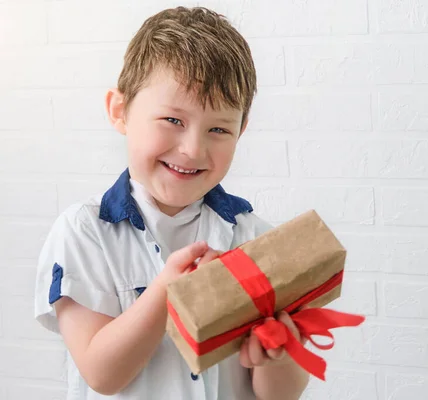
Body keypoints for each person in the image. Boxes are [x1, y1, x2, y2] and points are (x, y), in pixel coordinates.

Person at [34, 6, 310, 400]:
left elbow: (279, 395)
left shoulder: (256, 240)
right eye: (173, 121)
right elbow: (101, 373)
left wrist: (275, 351)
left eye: (218, 129)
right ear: (120, 111)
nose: (193, 149)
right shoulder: (84, 231)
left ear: (241, 131)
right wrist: (169, 292)